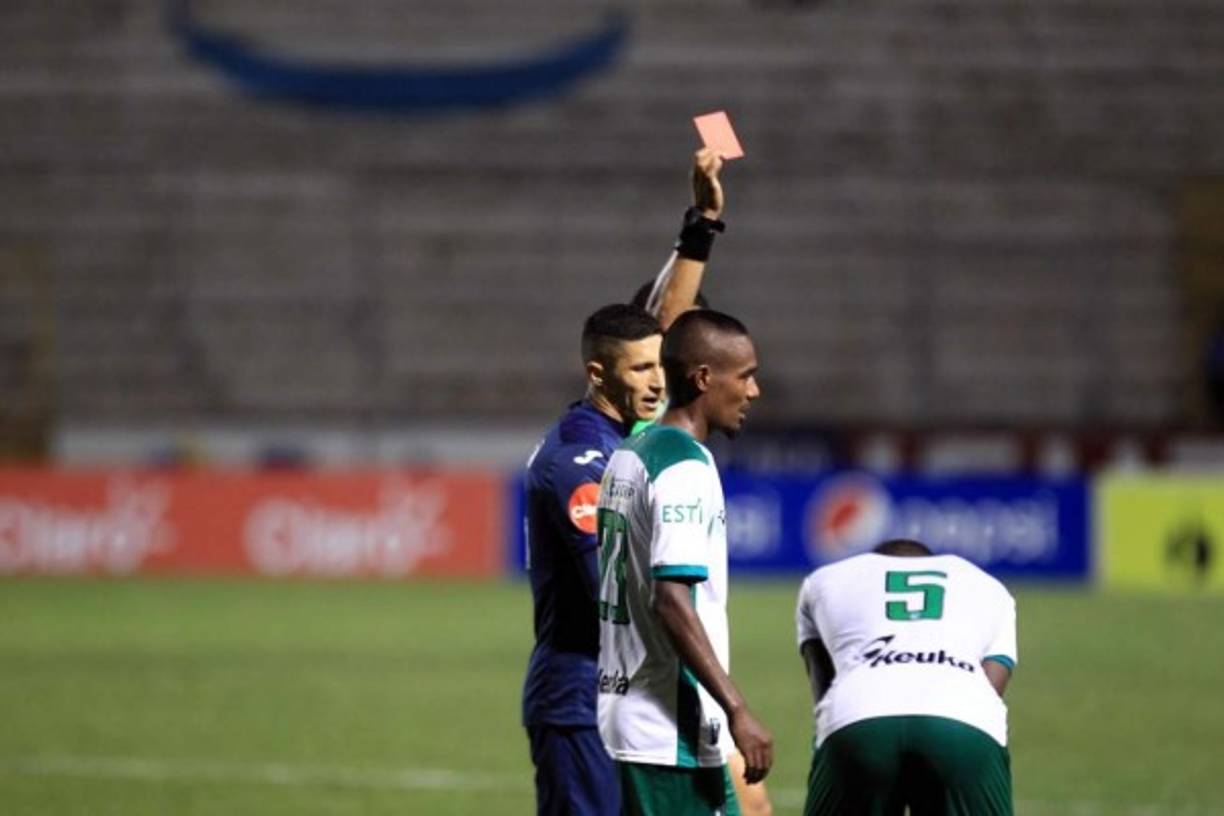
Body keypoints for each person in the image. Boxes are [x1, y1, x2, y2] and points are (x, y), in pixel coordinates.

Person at [521, 151, 730, 816]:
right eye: (640, 368)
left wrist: (702, 227)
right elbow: (616, 587)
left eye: (657, 366)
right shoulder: (578, 462)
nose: (657, 379)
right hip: (583, 688)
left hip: (637, 687)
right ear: (600, 373)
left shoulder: (629, 433)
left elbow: (663, 323)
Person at [596, 309, 773, 815]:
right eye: (745, 376)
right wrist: (738, 709)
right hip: (666, 729)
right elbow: (671, 598)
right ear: (702, 379)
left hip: (630, 711)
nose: (754, 391)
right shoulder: (684, 469)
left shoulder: (632, 451)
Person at [794, 538, 1018, 816]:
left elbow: (824, 688)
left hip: (858, 716)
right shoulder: (992, 588)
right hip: (963, 718)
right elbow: (991, 686)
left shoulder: (821, 581)